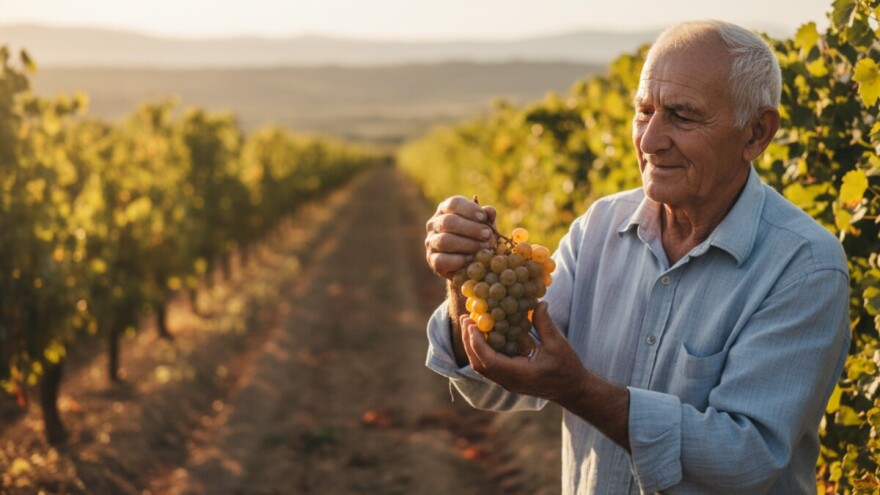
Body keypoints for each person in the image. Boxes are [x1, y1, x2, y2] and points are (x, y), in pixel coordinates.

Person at [422, 19, 850, 494]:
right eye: (644, 111)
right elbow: (501, 376)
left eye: (682, 116)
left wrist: (579, 390)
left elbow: (743, 457)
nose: (649, 141)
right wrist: (464, 281)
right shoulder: (600, 227)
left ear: (755, 133)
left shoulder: (804, 266)